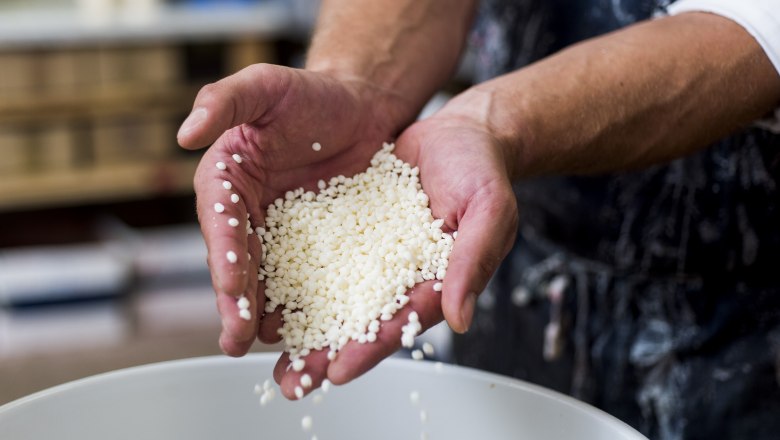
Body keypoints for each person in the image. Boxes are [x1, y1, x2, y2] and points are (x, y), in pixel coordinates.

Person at [177, 0, 780, 438]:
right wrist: (356, 85)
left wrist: (489, 122)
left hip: (746, 326)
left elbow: (761, 28)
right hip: (521, 268)